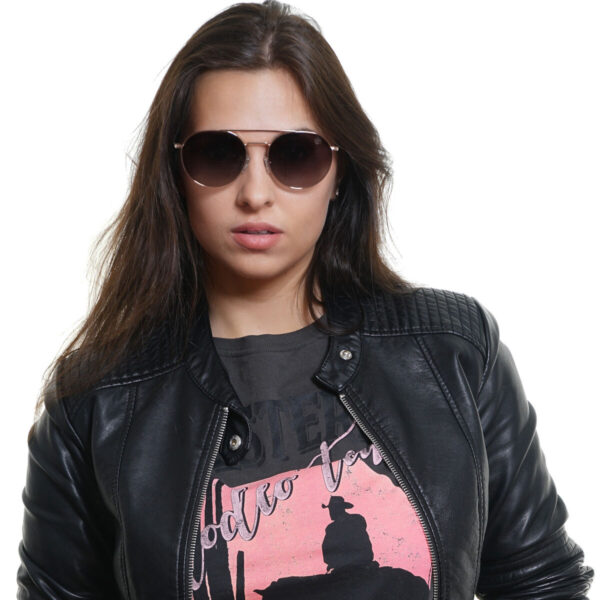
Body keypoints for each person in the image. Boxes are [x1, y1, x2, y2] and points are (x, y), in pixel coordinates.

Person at [16, 1, 594, 599]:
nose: (255, 193)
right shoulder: (95, 402)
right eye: (219, 154)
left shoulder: (454, 354)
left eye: (295, 154)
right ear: (176, 174)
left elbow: (542, 584)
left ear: (341, 172)